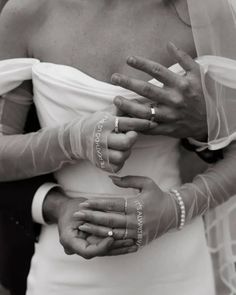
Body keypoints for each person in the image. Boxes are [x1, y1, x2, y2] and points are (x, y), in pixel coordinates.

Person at [0, 0, 236, 294]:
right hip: (65, 267)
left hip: (177, 266)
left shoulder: (204, 13)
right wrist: (68, 141)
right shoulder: (28, 12)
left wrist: (178, 208)